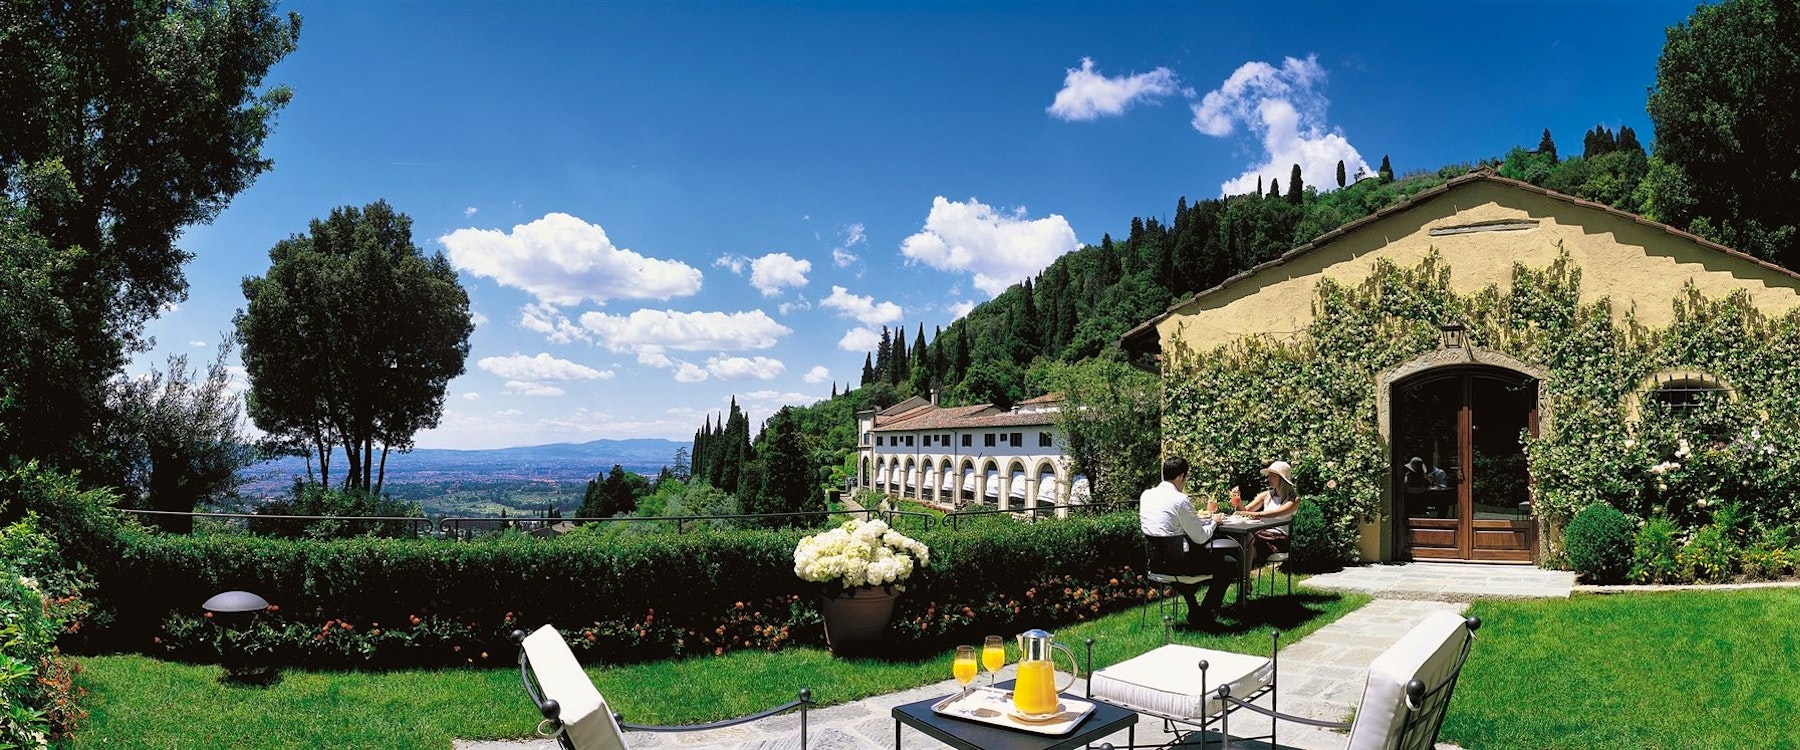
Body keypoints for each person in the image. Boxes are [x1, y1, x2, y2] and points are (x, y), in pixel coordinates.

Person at [1139, 456, 1239, 625]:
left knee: (1180, 557)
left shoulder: (1146, 496)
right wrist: (1214, 522)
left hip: (1156, 565)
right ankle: (1206, 612)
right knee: (1229, 562)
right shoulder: (1180, 499)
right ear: (1180, 477)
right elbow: (1200, 538)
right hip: (1178, 566)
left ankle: (1195, 610)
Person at [1241, 459, 1300, 568]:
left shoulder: (1293, 499)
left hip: (1278, 537)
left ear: (1282, 479)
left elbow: (1275, 513)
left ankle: (1244, 572)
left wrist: (1255, 515)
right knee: (1244, 537)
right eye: (1269, 475)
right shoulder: (1266, 495)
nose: (1269, 479)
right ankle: (1244, 574)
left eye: (1273, 476)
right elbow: (1246, 509)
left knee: (1249, 538)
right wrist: (1238, 502)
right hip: (1261, 533)